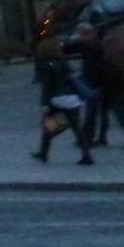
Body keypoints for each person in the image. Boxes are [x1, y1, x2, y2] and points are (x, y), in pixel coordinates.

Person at [32, 38, 94, 166]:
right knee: (77, 128)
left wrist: (44, 103)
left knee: (49, 124)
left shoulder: (47, 64)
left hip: (57, 99)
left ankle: (43, 153)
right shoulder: (63, 62)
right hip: (72, 98)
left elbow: (47, 86)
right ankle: (86, 155)